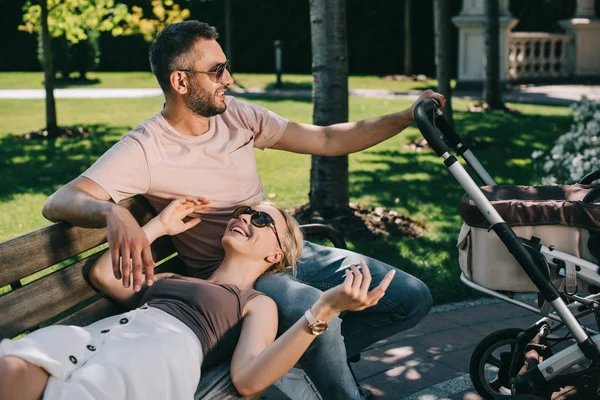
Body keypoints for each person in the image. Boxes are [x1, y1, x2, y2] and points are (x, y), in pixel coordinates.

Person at [41, 20, 443, 400]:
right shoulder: (145, 148)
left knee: (410, 297)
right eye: (216, 71)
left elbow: (325, 141)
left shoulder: (238, 115)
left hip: (281, 250)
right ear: (180, 81)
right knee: (311, 311)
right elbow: (59, 201)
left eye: (226, 68)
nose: (228, 80)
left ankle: (287, 361)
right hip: (237, 283)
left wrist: (407, 115)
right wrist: (115, 214)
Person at [0, 198, 395, 400]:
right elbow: (104, 274)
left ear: (275, 255)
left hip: (154, 358)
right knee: (14, 367)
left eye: (261, 220)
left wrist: (324, 309)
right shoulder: (173, 277)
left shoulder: (255, 302)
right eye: (243, 212)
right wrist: (159, 225)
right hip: (94, 337)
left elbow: (247, 380)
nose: (244, 218)